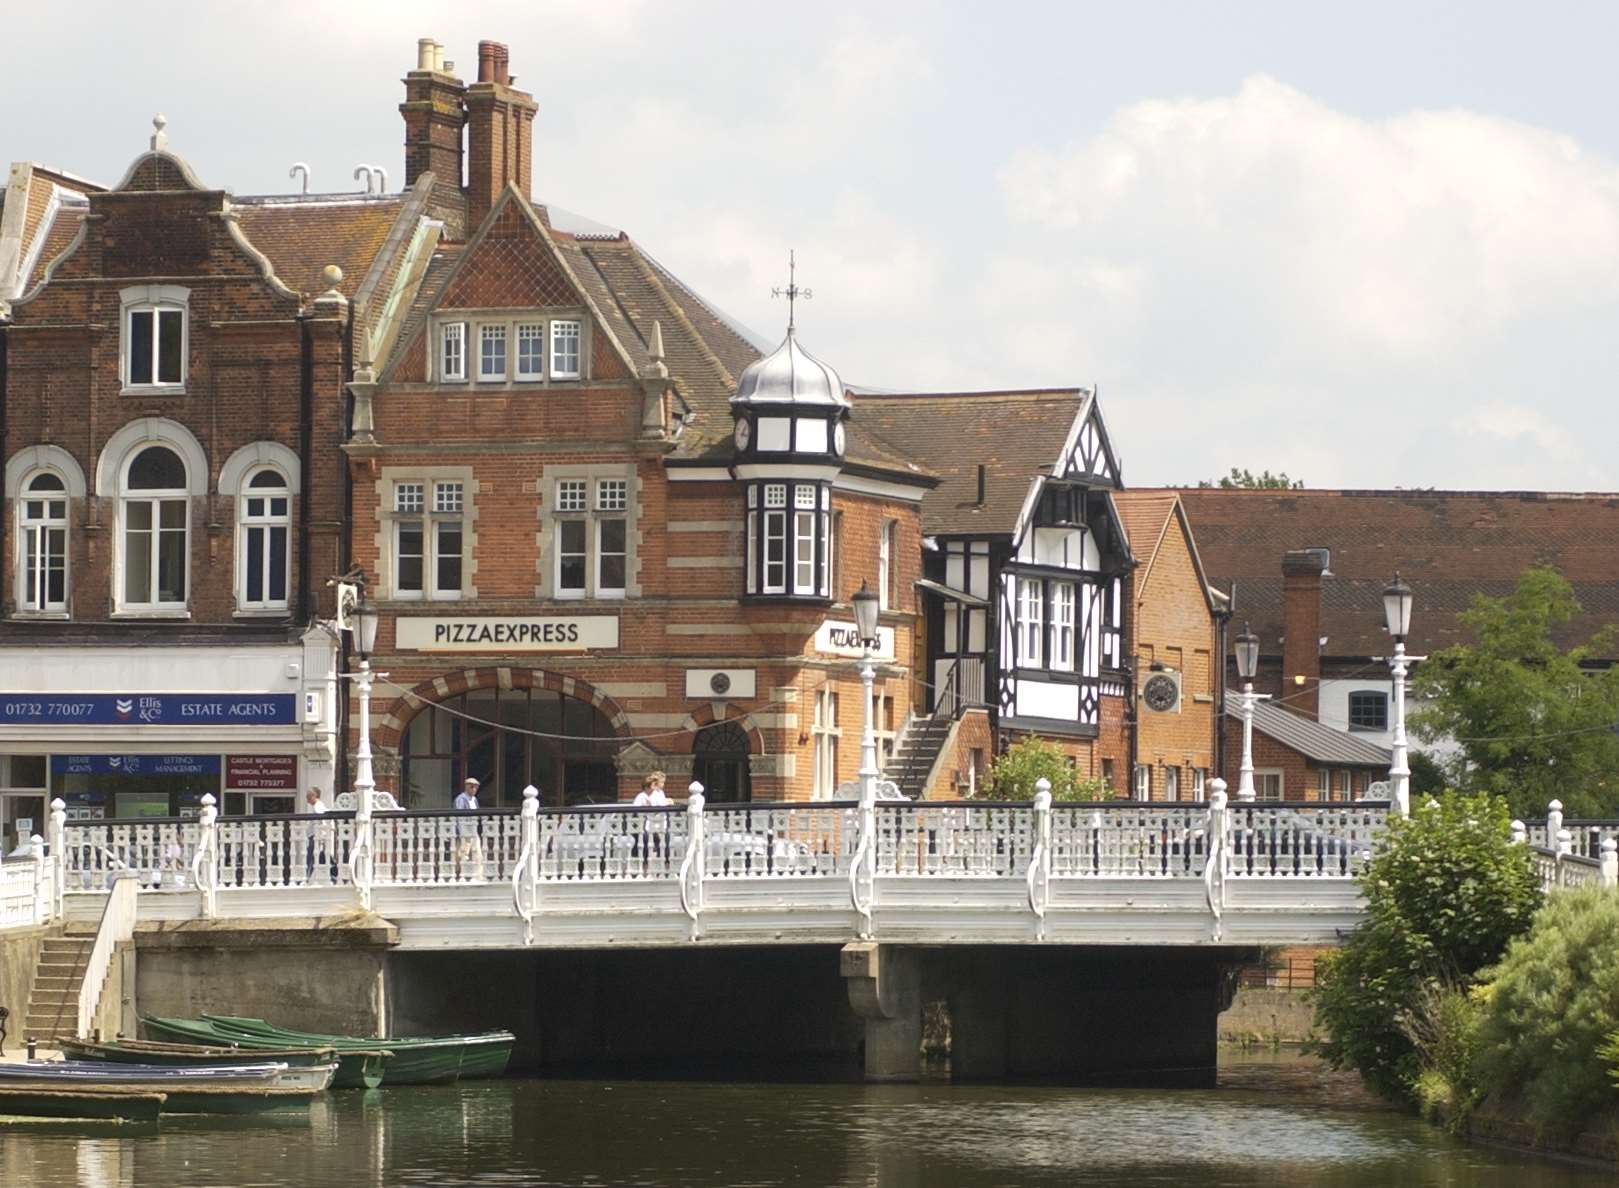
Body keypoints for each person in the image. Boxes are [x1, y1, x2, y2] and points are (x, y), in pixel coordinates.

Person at [453, 777, 485, 880]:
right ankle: (459, 875)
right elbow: (458, 817)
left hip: (473, 831)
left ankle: (479, 875)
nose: (474, 789)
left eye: (476, 787)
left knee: (478, 854)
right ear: (466, 787)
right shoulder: (460, 799)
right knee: (462, 855)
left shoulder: (475, 800)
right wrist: (460, 832)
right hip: (465, 832)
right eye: (472, 787)